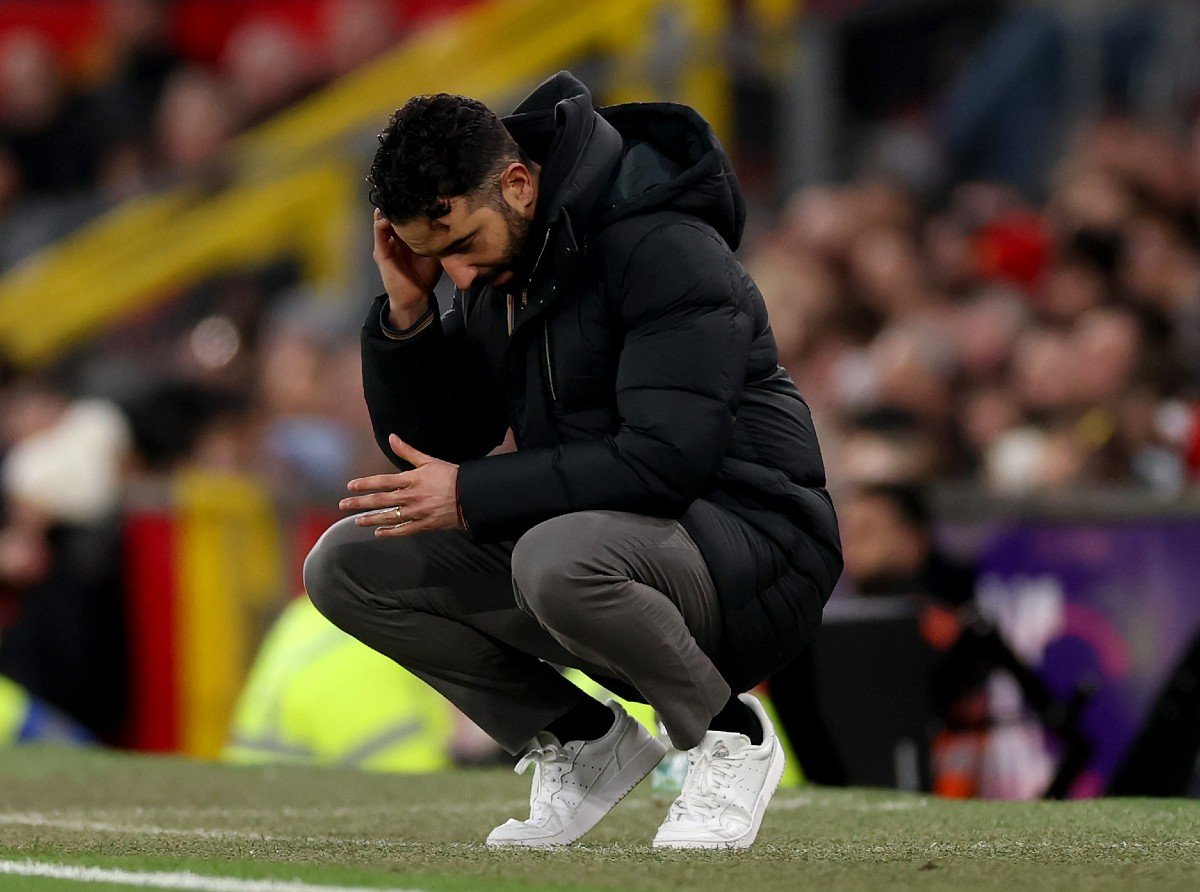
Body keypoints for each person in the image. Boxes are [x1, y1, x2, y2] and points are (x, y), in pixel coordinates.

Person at [304, 70, 842, 849]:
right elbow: (444, 445)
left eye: (460, 246)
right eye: (435, 257)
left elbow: (664, 463)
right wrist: (408, 314)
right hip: (608, 548)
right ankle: (584, 740)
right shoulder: (503, 265)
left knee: (554, 557)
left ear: (519, 183)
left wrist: (473, 494)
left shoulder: (664, 247)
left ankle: (731, 733)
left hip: (756, 548)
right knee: (348, 565)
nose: (459, 273)